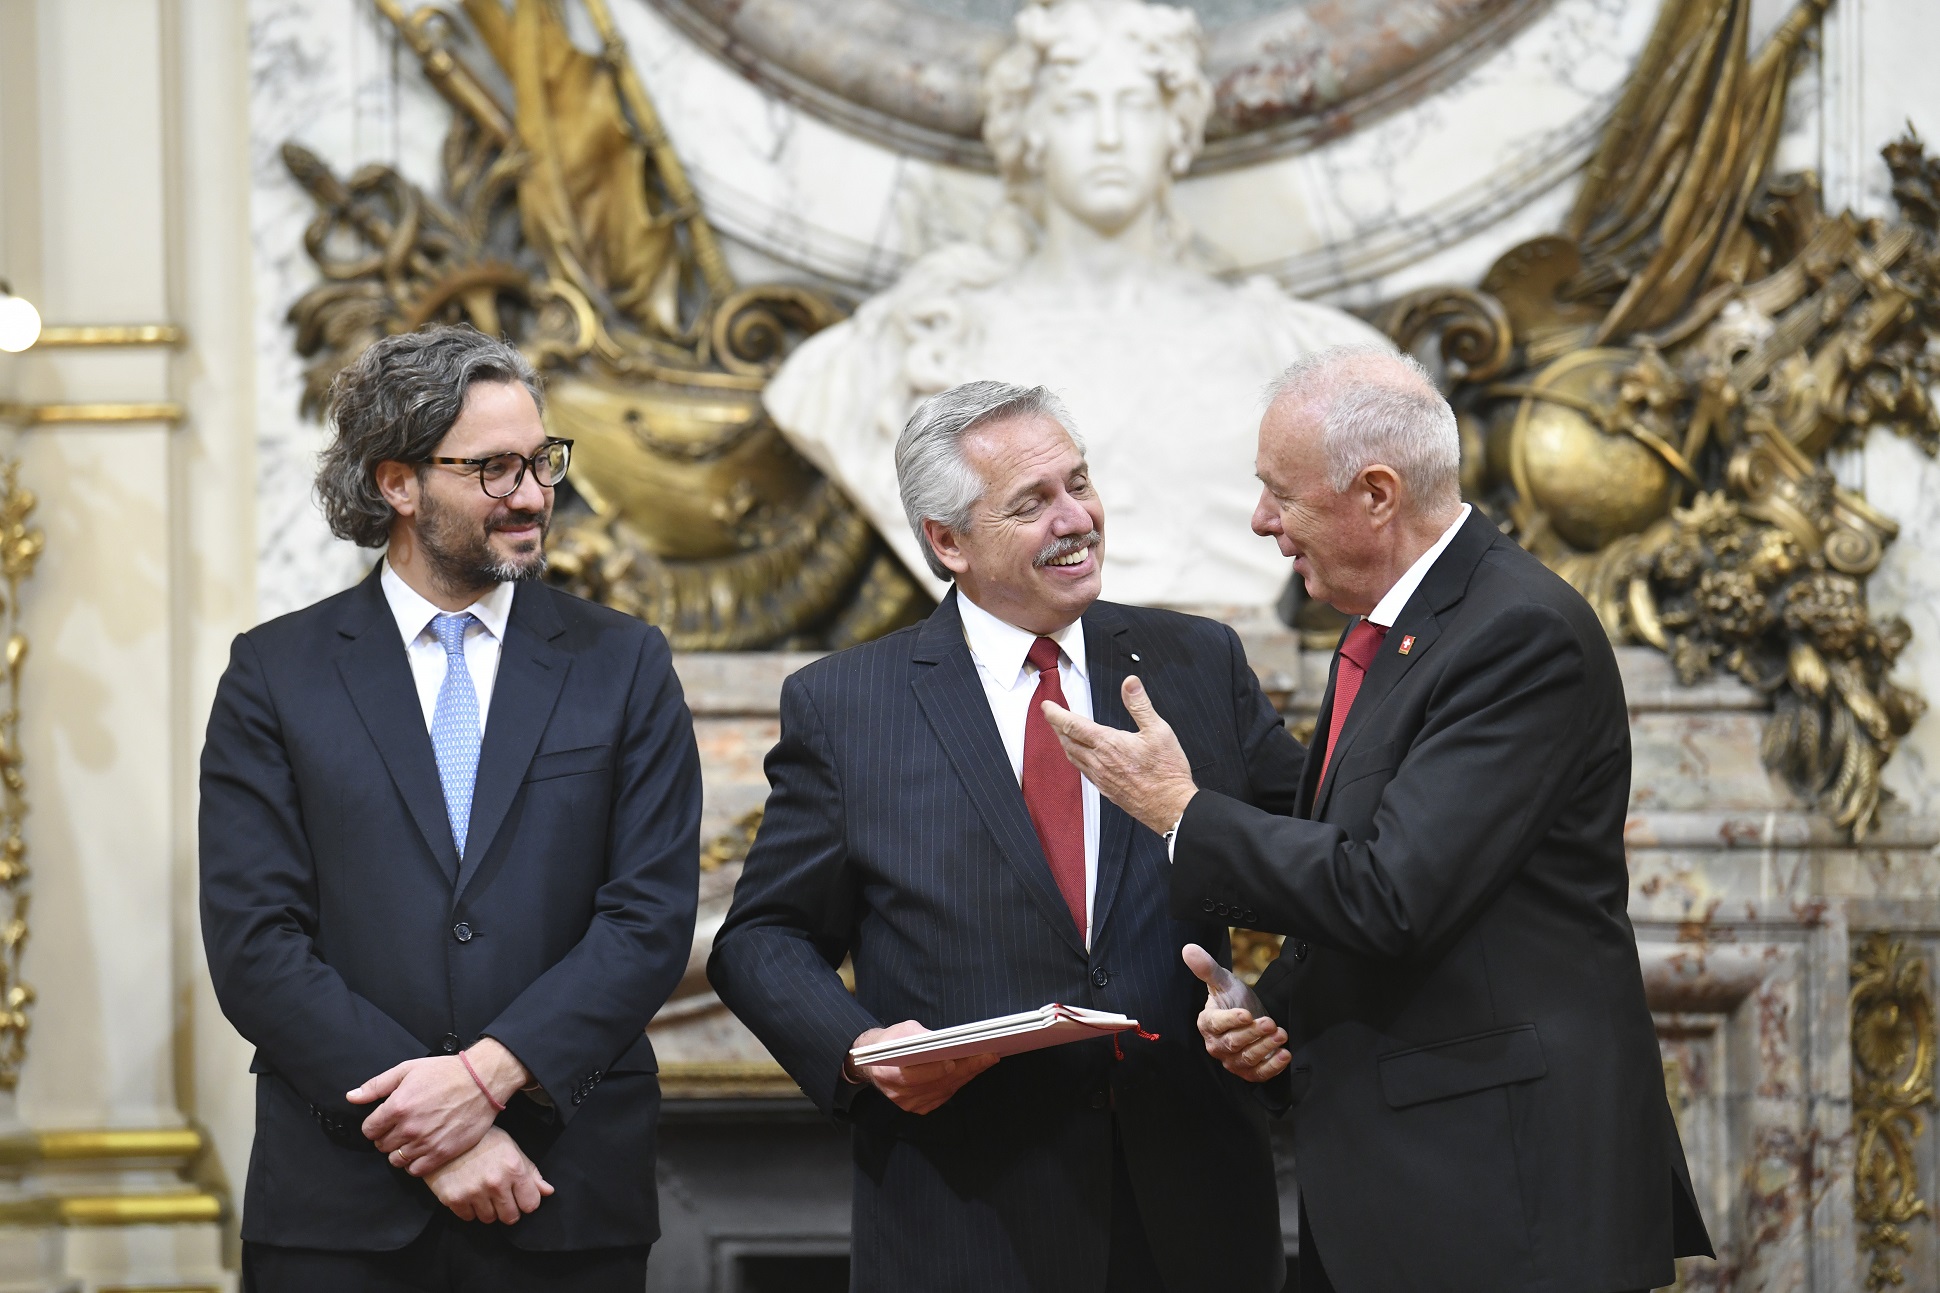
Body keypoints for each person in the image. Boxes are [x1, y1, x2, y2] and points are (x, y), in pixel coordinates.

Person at [1043, 346, 1715, 1292]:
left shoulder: (1517, 633)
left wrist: (1179, 810)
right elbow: (1374, 866)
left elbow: (1391, 892)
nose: (1263, 521)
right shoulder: (1393, 629)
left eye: (1283, 494)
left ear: (1376, 494)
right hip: (1406, 1190)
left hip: (1502, 1200)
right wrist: (1271, 1013)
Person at [708, 380, 1296, 1293]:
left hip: (1196, 1205)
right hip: (966, 1211)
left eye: (1081, 482)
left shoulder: (1197, 662)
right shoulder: (848, 705)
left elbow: (1322, 864)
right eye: (1033, 503)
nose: (1078, 519)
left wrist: (1274, 998)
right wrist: (861, 1051)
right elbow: (763, 939)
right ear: (948, 541)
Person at [199, 325, 700, 1292]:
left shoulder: (625, 663)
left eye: (543, 460)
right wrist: (434, 1135)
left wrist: (484, 1081)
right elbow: (256, 942)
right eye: (495, 468)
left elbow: (647, 921)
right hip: (341, 1204)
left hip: (563, 1184)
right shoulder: (275, 673)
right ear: (397, 482)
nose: (532, 495)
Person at [765, 0, 1386, 609]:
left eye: (1137, 107)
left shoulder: (1293, 347)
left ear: (1178, 128)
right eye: (1076, 108)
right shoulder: (910, 340)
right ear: (1029, 130)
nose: (1109, 137)